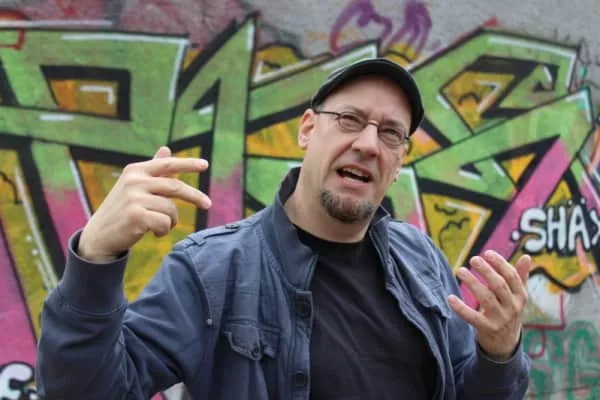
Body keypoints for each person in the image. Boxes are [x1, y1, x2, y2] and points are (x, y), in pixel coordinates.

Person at [35, 57, 531, 399]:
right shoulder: (211, 269)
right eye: (350, 119)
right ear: (308, 129)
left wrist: (499, 353)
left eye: (390, 133)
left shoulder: (420, 261)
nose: (367, 144)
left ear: (399, 160)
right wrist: (95, 256)